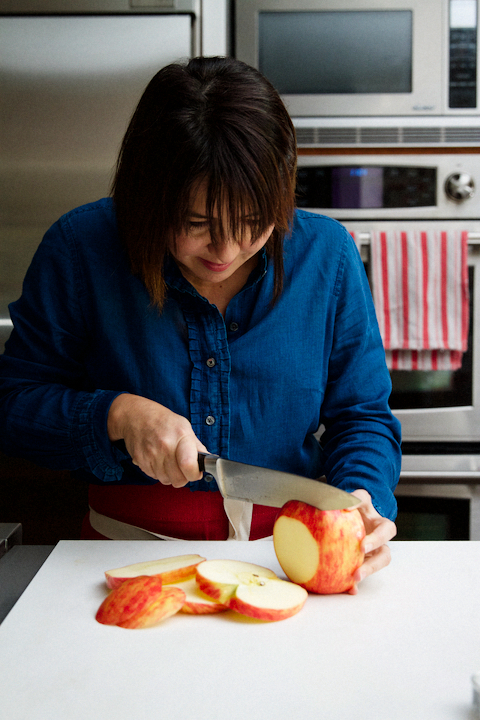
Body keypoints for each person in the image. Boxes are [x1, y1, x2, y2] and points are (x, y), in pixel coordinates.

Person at [0, 56, 401, 591]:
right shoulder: (80, 249)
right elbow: (13, 405)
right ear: (149, 198)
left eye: (254, 223)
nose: (228, 249)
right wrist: (117, 414)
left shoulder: (326, 256)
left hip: (288, 567)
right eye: (197, 225)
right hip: (120, 567)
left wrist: (361, 498)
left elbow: (362, 416)